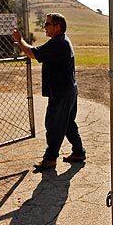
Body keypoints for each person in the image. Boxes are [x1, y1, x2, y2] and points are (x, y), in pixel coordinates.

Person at [12, 13, 86, 171]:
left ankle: (50, 158)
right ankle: (78, 152)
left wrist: (20, 40)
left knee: (53, 125)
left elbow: (33, 53)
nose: (44, 27)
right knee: (67, 124)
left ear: (57, 27)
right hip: (68, 90)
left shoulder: (58, 43)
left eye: (47, 24)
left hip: (61, 93)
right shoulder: (61, 41)